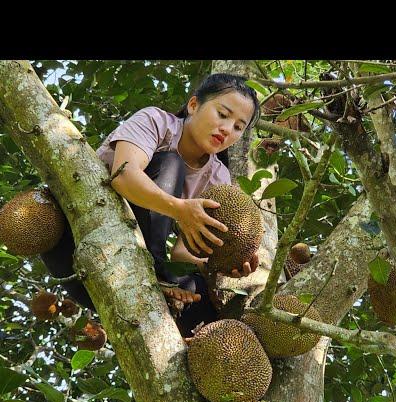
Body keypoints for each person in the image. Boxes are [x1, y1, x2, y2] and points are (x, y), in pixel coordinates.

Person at [41, 73, 261, 337]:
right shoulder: (157, 121)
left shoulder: (218, 177)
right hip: (74, 243)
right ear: (193, 105)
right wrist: (179, 208)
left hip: (127, 272)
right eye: (223, 114)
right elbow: (124, 175)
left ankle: (197, 352)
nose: (227, 129)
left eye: (238, 127)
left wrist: (222, 261)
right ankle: (158, 272)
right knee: (171, 163)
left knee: (197, 292)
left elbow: (183, 253)